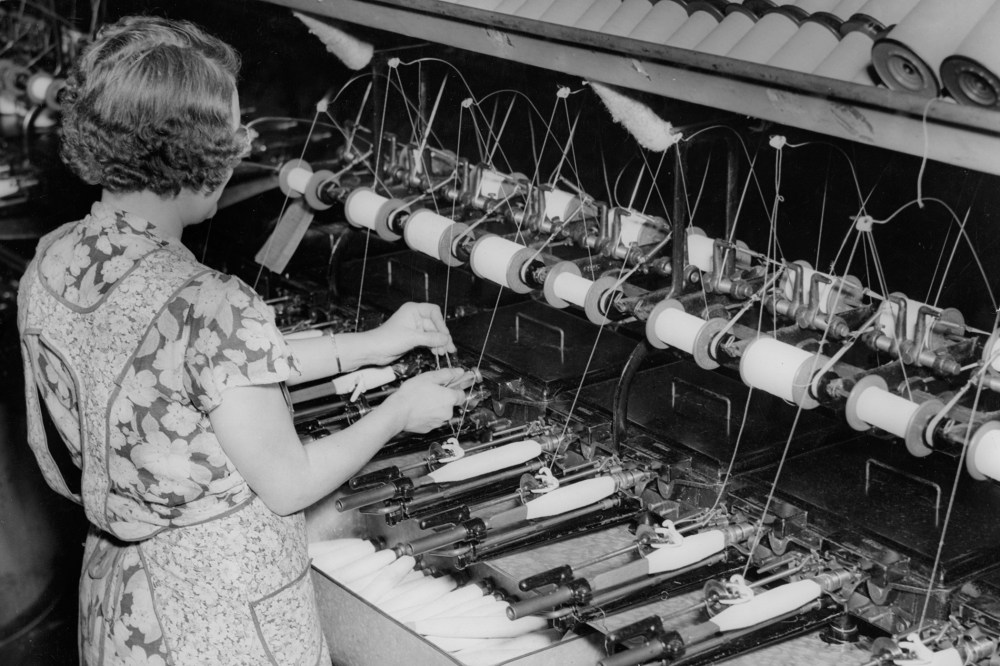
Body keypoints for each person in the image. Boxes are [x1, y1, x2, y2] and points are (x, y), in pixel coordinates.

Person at [17, 15, 475, 665]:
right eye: (233, 136)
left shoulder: (55, 259)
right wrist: (399, 411)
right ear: (198, 153)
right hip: (222, 618)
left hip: (123, 610)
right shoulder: (213, 303)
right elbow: (288, 482)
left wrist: (372, 344)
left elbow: (194, 373)